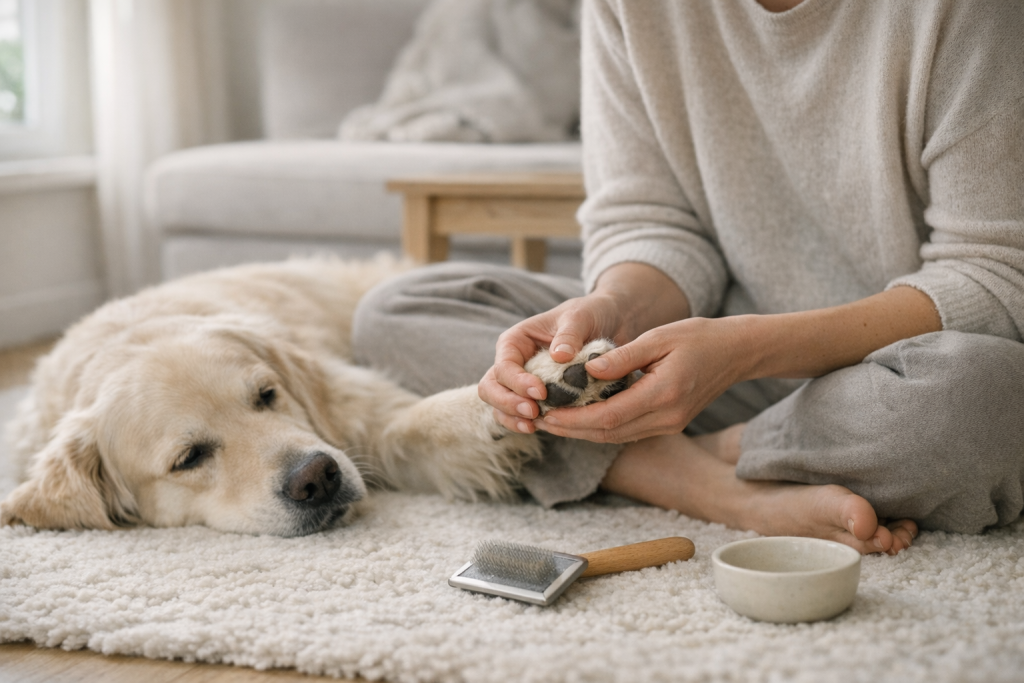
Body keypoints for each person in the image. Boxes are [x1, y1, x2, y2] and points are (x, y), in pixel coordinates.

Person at [352, 0, 1024, 555]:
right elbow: (652, 221)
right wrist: (613, 307)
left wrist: (741, 349)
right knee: (396, 311)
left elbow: (995, 278)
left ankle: (664, 455)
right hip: (700, 368)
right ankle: (719, 488)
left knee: (985, 402)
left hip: (886, 378)